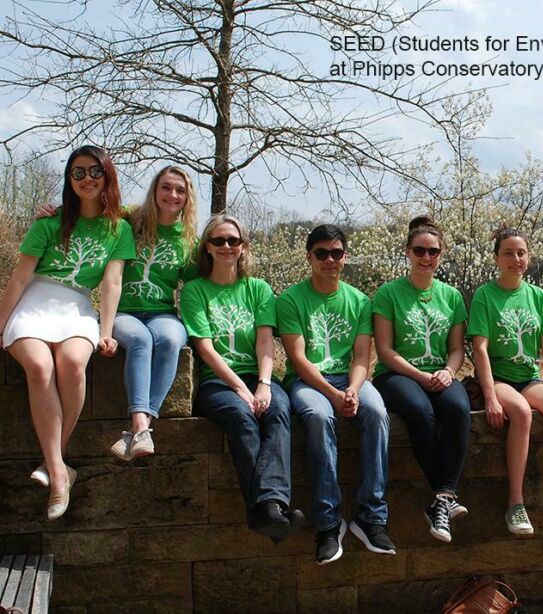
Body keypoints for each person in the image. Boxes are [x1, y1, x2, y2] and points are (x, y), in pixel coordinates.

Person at [0, 145, 135, 519]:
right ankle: (61, 472)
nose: (86, 178)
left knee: (74, 363)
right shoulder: (49, 222)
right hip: (35, 301)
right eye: (77, 172)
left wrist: (106, 331)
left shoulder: (119, 228)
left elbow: (112, 283)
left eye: (94, 171)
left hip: (77, 306)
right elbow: (20, 276)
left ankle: (54, 463)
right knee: (40, 368)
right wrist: (0, 324)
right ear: (69, 180)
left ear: (107, 175)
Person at [37, 166, 200, 460]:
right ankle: (141, 427)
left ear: (187, 198)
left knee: (172, 340)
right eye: (166, 187)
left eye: (180, 190)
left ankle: (138, 432)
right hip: (123, 312)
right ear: (155, 190)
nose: (172, 195)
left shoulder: (188, 241)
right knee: (140, 340)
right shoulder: (130, 218)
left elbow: (199, 283)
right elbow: (92, 205)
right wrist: (55, 210)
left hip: (163, 312)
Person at [180, 215, 302, 543]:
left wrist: (263, 383)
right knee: (241, 416)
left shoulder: (258, 289)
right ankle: (272, 507)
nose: (226, 247)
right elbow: (205, 349)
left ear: (243, 247)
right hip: (217, 382)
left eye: (233, 241)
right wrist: (239, 389)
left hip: (257, 375)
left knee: (278, 410)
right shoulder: (195, 290)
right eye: (218, 241)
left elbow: (266, 341)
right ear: (207, 247)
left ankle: (266, 511)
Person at [278, 224, 394, 565]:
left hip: (350, 378)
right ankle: (328, 524)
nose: (330, 260)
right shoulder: (290, 299)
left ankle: (372, 518)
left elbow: (361, 356)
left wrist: (354, 389)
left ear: (345, 257)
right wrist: (331, 393)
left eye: (337, 253)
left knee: (376, 413)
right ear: (309, 257)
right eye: (322, 254)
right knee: (317, 416)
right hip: (308, 381)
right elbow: (298, 359)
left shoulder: (359, 301)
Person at [468, 226, 543, 535]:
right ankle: (516, 503)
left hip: (529, 377)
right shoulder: (486, 295)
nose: (515, 259)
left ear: (529, 257)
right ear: (497, 258)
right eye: (508, 253)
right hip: (498, 378)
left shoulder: (537, 296)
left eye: (521, 253)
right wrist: (491, 397)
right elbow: (479, 348)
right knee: (521, 413)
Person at [372, 216, 471, 543]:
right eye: (420, 250)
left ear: (441, 254)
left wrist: (448, 371)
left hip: (440, 372)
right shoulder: (388, 294)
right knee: (420, 412)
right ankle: (446, 497)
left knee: (458, 409)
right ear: (407, 252)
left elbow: (457, 349)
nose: (426, 257)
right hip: (398, 375)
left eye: (434, 251)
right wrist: (419, 375)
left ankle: (442, 499)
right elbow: (385, 350)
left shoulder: (451, 296)